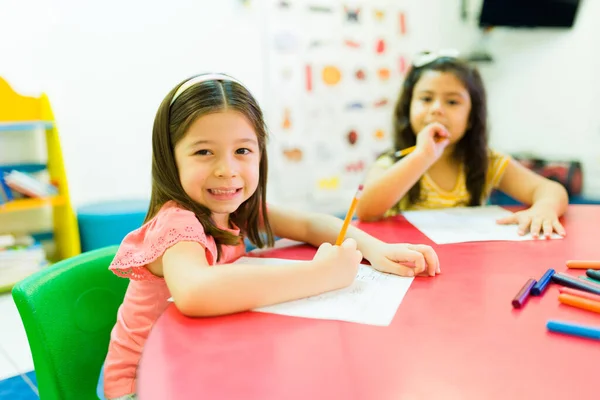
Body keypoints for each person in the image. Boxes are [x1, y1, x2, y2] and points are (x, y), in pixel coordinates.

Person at [100, 73, 441, 400]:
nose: (227, 169)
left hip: (201, 357)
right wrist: (320, 275)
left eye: (243, 151)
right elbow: (195, 292)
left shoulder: (234, 208)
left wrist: (376, 249)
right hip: (144, 384)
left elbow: (308, 225)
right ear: (169, 159)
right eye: (204, 152)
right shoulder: (178, 223)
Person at [356, 51, 568, 239]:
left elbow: (549, 189)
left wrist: (545, 207)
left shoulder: (486, 161)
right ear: (407, 108)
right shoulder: (393, 161)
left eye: (452, 102)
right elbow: (365, 210)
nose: (437, 109)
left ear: (471, 118)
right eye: (426, 98)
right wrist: (422, 156)